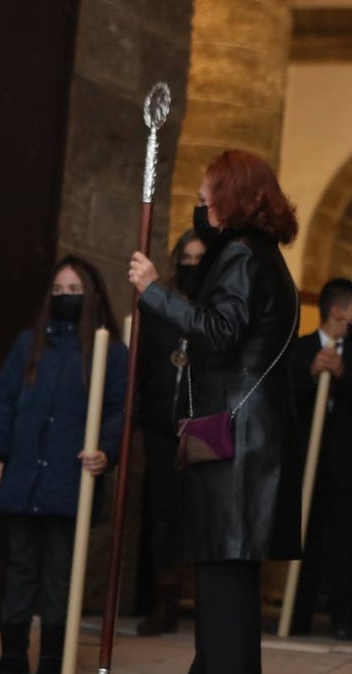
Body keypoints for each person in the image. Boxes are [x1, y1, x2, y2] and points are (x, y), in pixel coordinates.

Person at [128, 149, 301, 674]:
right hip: (241, 438)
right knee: (220, 583)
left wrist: (155, 293)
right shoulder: (257, 255)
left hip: (238, 444)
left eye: (207, 194)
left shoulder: (242, 253)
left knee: (225, 587)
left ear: (233, 194)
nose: (200, 203)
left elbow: (221, 331)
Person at [0, 255, 127, 674]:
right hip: (25, 473)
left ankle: (53, 660)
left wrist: (106, 451)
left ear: (93, 296)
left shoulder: (111, 352)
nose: (65, 298)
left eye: (74, 291)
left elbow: (119, 411)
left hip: (71, 476)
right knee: (21, 566)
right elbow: (3, 400)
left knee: (61, 570)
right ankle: (11, 656)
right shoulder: (28, 344)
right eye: (58, 291)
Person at [289, 278, 352, 640]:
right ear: (337, 312)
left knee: (346, 543)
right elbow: (283, 398)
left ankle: (344, 616)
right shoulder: (299, 349)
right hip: (304, 461)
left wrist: (343, 375)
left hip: (348, 464)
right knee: (302, 542)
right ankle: (297, 615)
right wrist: (311, 375)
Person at [135, 228, 205, 637]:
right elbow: (143, 362)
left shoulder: (216, 310)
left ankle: (204, 601)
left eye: (200, 258)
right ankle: (165, 601)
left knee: (200, 513)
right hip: (162, 425)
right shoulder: (158, 307)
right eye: (187, 258)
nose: (192, 265)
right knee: (163, 515)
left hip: (202, 427)